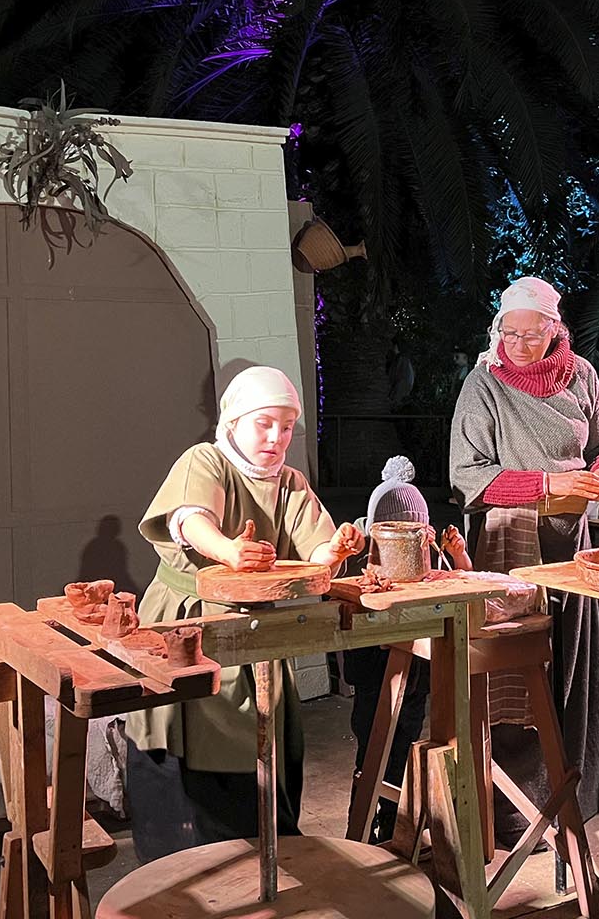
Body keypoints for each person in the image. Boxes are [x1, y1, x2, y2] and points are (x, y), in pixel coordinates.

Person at [122, 365, 365, 863]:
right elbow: (190, 519)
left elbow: (316, 550)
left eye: (286, 428)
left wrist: (337, 550)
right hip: (189, 623)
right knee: (186, 741)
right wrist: (227, 550)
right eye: (264, 424)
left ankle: (261, 860)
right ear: (233, 421)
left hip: (257, 637)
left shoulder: (288, 483)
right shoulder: (206, 461)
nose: (276, 438)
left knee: (261, 740)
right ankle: (187, 863)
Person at [449, 276, 599, 830]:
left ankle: (569, 795)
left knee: (568, 662)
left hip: (571, 540)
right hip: (511, 542)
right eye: (510, 334)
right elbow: (468, 476)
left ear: (554, 331)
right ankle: (510, 811)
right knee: (517, 666)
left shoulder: (581, 375)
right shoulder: (484, 384)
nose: (519, 345)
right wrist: (549, 485)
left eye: (531, 335)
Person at [345, 456, 472, 843]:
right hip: (374, 679)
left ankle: (392, 828)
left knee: (404, 748)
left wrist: (457, 553)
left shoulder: (426, 564)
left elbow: (464, 581)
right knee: (372, 752)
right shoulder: (363, 570)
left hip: (416, 680)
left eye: (414, 531)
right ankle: (361, 830)